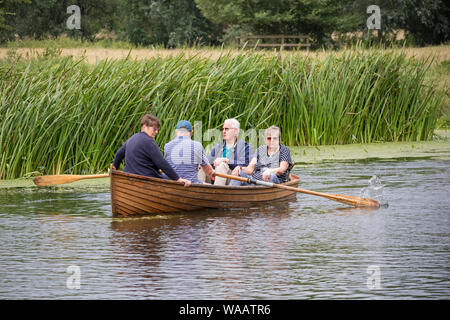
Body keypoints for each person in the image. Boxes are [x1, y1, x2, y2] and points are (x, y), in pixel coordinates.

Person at [113, 114, 191, 187]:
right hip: (146, 178)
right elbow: (161, 163)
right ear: (144, 127)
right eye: (154, 129)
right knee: (171, 178)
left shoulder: (132, 138)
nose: (156, 132)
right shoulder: (149, 142)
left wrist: (115, 169)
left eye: (157, 129)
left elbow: (119, 154)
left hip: (129, 178)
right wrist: (178, 179)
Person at [202, 118, 252, 185]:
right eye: (223, 129)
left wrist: (226, 160)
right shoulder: (218, 146)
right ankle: (197, 189)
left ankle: (217, 192)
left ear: (236, 131)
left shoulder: (245, 146)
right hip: (214, 176)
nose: (224, 131)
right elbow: (208, 161)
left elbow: (245, 165)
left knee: (222, 165)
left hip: (233, 178)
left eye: (227, 129)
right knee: (201, 165)